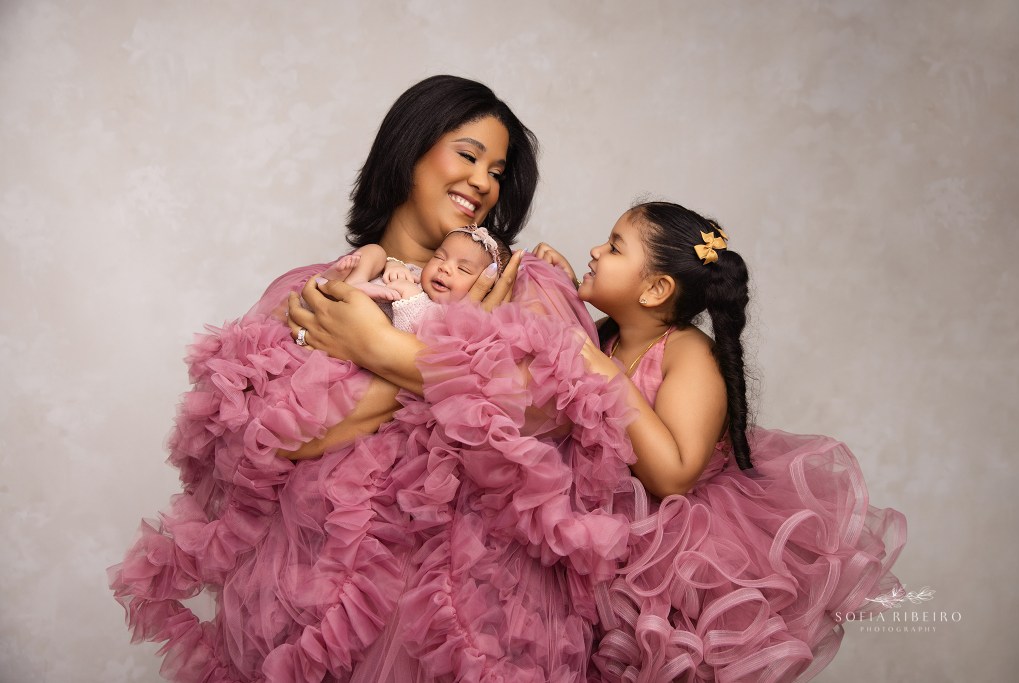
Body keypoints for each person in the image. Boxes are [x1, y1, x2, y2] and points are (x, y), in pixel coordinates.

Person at [110, 75, 635, 683]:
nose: (483, 182)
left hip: (477, 605)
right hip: (319, 599)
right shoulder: (320, 288)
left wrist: (376, 348)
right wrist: (446, 376)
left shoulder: (518, 281)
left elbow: (552, 411)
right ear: (409, 150)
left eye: (497, 171)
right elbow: (269, 442)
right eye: (468, 155)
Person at [532, 201, 907, 682]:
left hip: (670, 559)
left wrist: (609, 377)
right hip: (596, 544)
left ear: (655, 289)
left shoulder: (688, 354)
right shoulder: (606, 339)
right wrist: (560, 294)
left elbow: (673, 475)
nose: (594, 251)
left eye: (614, 247)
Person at [319, 225, 511, 333]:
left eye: (462, 269)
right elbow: (392, 269)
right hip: (337, 296)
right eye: (439, 257)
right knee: (376, 251)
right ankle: (346, 281)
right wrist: (393, 264)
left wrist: (409, 295)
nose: (444, 267)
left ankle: (336, 285)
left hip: (350, 323)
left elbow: (408, 334)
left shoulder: (444, 315)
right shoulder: (419, 276)